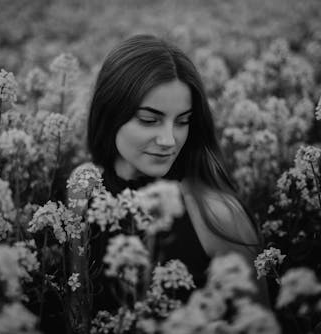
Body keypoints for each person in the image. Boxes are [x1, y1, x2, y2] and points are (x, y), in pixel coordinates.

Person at [83, 34, 270, 315]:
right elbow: (76, 313)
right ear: (109, 113)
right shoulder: (82, 188)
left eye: (182, 121)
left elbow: (259, 323)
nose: (169, 140)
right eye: (149, 120)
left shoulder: (217, 213)